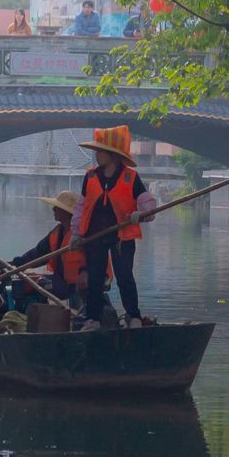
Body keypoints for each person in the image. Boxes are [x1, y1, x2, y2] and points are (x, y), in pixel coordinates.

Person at [76, 125, 157, 326]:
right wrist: (75, 233)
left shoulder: (130, 177)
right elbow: (81, 207)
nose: (96, 155)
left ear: (112, 154)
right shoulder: (91, 176)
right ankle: (93, 318)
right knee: (95, 279)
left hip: (121, 236)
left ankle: (134, 316)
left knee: (124, 277)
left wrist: (142, 214)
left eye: (100, 151)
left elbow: (148, 202)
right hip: (94, 236)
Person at [1, 189, 89, 316]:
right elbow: (38, 254)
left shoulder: (83, 234)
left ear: (68, 213)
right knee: (35, 284)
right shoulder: (57, 232)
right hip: (62, 281)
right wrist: (14, 263)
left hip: (81, 283)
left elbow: (96, 259)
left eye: (57, 207)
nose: (53, 209)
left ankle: (79, 318)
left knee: (80, 310)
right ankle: (43, 317)